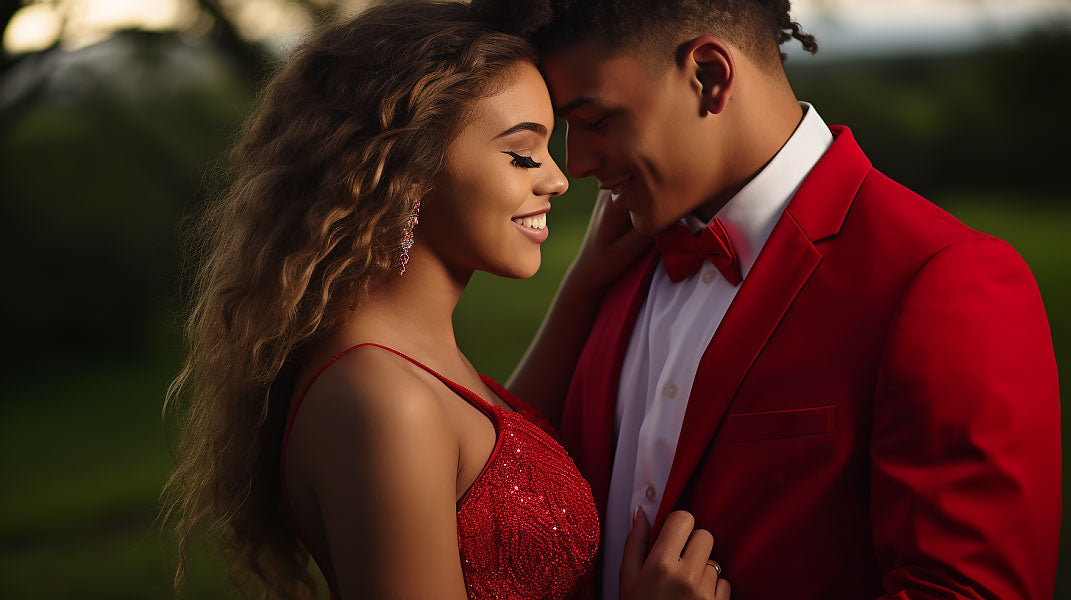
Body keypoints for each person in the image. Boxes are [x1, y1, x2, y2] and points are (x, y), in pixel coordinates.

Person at [472, 1, 1063, 599]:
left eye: (595, 120)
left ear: (709, 76)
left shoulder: (942, 278)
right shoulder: (620, 257)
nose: (574, 164)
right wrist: (581, 291)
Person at [162, 2, 731, 599]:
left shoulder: (407, 362)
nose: (559, 178)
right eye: (523, 152)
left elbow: (498, 448)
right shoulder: (380, 400)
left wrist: (584, 284)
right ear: (407, 171)